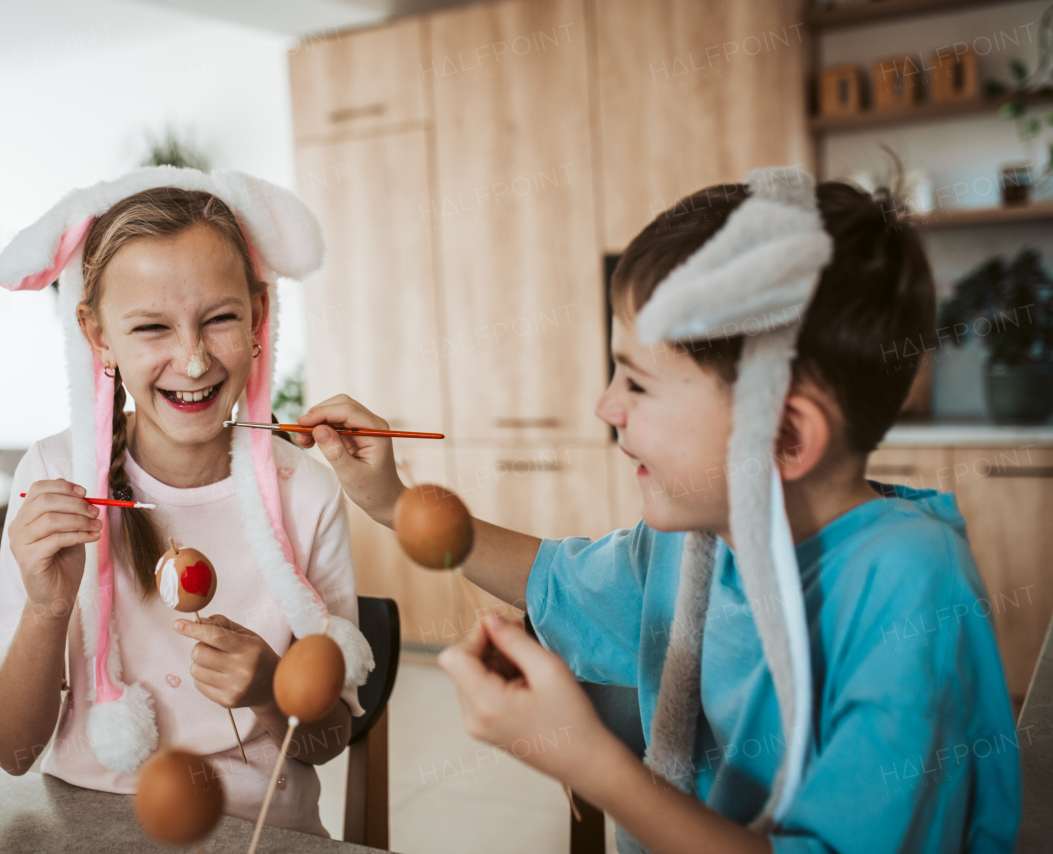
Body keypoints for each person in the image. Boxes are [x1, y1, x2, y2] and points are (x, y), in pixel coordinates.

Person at [293, 168, 1020, 852]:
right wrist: (390, 502)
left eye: (638, 384)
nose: (605, 406)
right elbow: (558, 578)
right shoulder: (703, 542)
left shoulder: (908, 587)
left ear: (785, 434)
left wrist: (594, 763)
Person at [0, 169, 373, 837]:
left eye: (219, 319)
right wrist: (49, 609)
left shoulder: (304, 491)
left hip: (260, 829)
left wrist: (270, 689)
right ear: (97, 337)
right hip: (90, 825)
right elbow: (9, 753)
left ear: (259, 318)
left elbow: (326, 742)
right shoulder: (54, 474)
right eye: (152, 327)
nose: (192, 363)